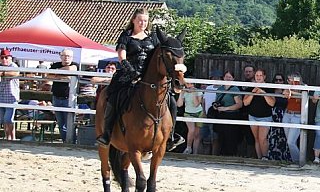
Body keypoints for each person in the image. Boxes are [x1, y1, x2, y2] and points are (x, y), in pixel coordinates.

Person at [97, 8, 183, 150]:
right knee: (113, 97)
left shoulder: (153, 38)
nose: (142, 23)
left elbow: (161, 54)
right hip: (127, 74)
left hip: (148, 77)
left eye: (145, 21)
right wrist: (131, 72)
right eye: (140, 20)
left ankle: (171, 136)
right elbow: (122, 57)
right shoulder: (126, 36)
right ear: (133, 20)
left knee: (171, 101)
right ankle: (107, 133)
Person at [242, 68, 274, 159]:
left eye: (260, 75)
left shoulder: (269, 87)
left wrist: (263, 93)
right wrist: (253, 93)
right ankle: (260, 158)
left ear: (264, 77)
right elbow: (245, 103)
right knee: (256, 139)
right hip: (253, 116)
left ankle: (265, 157)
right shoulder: (250, 87)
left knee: (262, 138)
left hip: (265, 117)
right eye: (257, 75)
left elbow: (272, 103)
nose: (258, 77)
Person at [49, 48, 79, 142]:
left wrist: (57, 73)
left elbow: (71, 69)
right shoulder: (55, 65)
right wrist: (64, 74)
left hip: (69, 99)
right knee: (60, 123)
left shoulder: (75, 64)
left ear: (72, 57)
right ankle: (64, 141)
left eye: (68, 56)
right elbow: (48, 75)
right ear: (60, 56)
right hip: (56, 98)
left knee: (69, 123)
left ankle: (72, 142)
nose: (66, 58)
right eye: (64, 56)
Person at [210, 70, 243, 156]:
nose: (228, 78)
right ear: (223, 78)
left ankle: (231, 156)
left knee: (231, 138)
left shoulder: (235, 89)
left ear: (233, 78)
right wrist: (215, 106)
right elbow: (217, 101)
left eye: (230, 77)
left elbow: (239, 104)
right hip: (220, 115)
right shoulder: (219, 89)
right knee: (221, 137)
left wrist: (226, 108)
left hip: (232, 115)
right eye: (226, 77)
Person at [281, 73, 304, 164]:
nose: (290, 81)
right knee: (290, 141)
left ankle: (298, 161)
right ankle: (296, 160)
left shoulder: (304, 87)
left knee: (291, 142)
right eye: (289, 80)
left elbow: (303, 96)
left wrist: (292, 92)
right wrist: (289, 90)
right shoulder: (288, 87)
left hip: (297, 116)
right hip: (287, 114)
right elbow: (284, 93)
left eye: (291, 79)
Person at [177, 80, 204, 154]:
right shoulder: (184, 92)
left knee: (197, 134)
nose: (190, 85)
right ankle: (188, 148)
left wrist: (194, 93)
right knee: (191, 130)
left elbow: (196, 104)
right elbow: (179, 104)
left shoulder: (198, 91)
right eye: (188, 84)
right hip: (188, 113)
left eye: (191, 84)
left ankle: (195, 153)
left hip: (199, 113)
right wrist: (181, 94)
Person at [267, 73, 289, 161]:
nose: (278, 82)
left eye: (280, 80)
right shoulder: (271, 91)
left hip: (284, 116)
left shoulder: (286, 91)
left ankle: (284, 158)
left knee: (284, 137)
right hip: (272, 116)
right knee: (272, 137)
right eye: (276, 80)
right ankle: (272, 157)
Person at [0, 49, 21, 140]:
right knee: (3, 120)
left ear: (10, 58)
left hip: (11, 97)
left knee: (8, 119)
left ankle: (13, 138)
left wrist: (2, 73)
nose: (4, 59)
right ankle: (7, 137)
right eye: (2, 57)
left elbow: (14, 73)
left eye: (6, 57)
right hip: (1, 97)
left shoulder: (13, 65)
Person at [201, 69, 223, 155]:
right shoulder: (208, 88)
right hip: (206, 115)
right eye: (214, 77)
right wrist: (203, 112)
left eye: (217, 77)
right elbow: (204, 101)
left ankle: (214, 155)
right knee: (205, 137)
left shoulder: (222, 88)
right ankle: (205, 155)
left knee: (215, 138)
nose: (216, 79)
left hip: (216, 116)